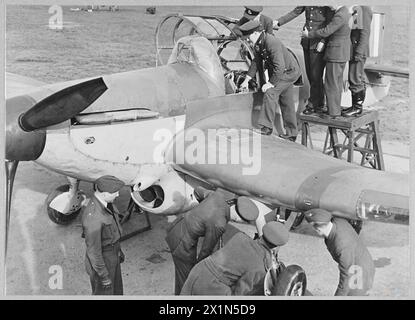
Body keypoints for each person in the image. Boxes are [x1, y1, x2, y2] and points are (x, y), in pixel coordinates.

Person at [165, 187, 259, 295]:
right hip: (181, 241)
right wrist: (202, 271)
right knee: (187, 278)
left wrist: (201, 212)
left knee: (185, 274)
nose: (235, 221)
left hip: (178, 225)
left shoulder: (217, 196)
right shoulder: (219, 224)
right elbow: (205, 251)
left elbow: (197, 191)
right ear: (238, 218)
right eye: (238, 220)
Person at [180, 221, 289, 295]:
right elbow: (239, 294)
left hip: (199, 270)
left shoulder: (240, 236)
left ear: (262, 234)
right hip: (213, 285)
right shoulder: (260, 267)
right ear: (276, 246)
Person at [239, 20, 301, 141]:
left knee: (270, 93)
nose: (247, 40)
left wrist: (270, 84)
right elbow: (256, 62)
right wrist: (247, 79)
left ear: (256, 33)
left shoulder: (271, 42)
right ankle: (292, 133)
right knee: (286, 100)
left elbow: (280, 66)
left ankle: (266, 127)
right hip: (281, 72)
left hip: (288, 72)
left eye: (248, 36)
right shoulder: (259, 42)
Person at [274, 6, 335, 114]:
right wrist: (278, 22)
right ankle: (319, 102)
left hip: (317, 42)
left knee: (316, 75)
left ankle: (314, 104)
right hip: (306, 41)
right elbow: (295, 11)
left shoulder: (327, 5)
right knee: (310, 74)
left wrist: (323, 41)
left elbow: (330, 23)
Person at [305, 208, 375, 296]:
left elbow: (346, 276)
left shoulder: (341, 245)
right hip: (360, 259)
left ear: (318, 229)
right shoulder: (337, 222)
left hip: (360, 272)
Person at [301, 6, 352, 118]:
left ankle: (333, 112)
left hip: (336, 53)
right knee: (335, 83)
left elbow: (328, 30)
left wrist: (309, 35)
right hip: (339, 52)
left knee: (331, 84)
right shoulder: (344, 12)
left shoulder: (339, 15)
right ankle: (334, 110)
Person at [81, 175, 125, 295]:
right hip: (103, 262)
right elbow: (94, 252)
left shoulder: (106, 204)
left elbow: (114, 228)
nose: (118, 195)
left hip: (112, 254)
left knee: (116, 292)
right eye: (115, 193)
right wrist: (104, 275)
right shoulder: (94, 217)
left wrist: (118, 250)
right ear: (105, 194)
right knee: (105, 293)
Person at [342, 6, 373, 117]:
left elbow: (365, 33)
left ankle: (357, 108)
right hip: (354, 47)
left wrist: (359, 52)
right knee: (355, 76)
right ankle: (354, 106)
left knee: (354, 77)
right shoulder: (357, 7)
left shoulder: (364, 8)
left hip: (359, 49)